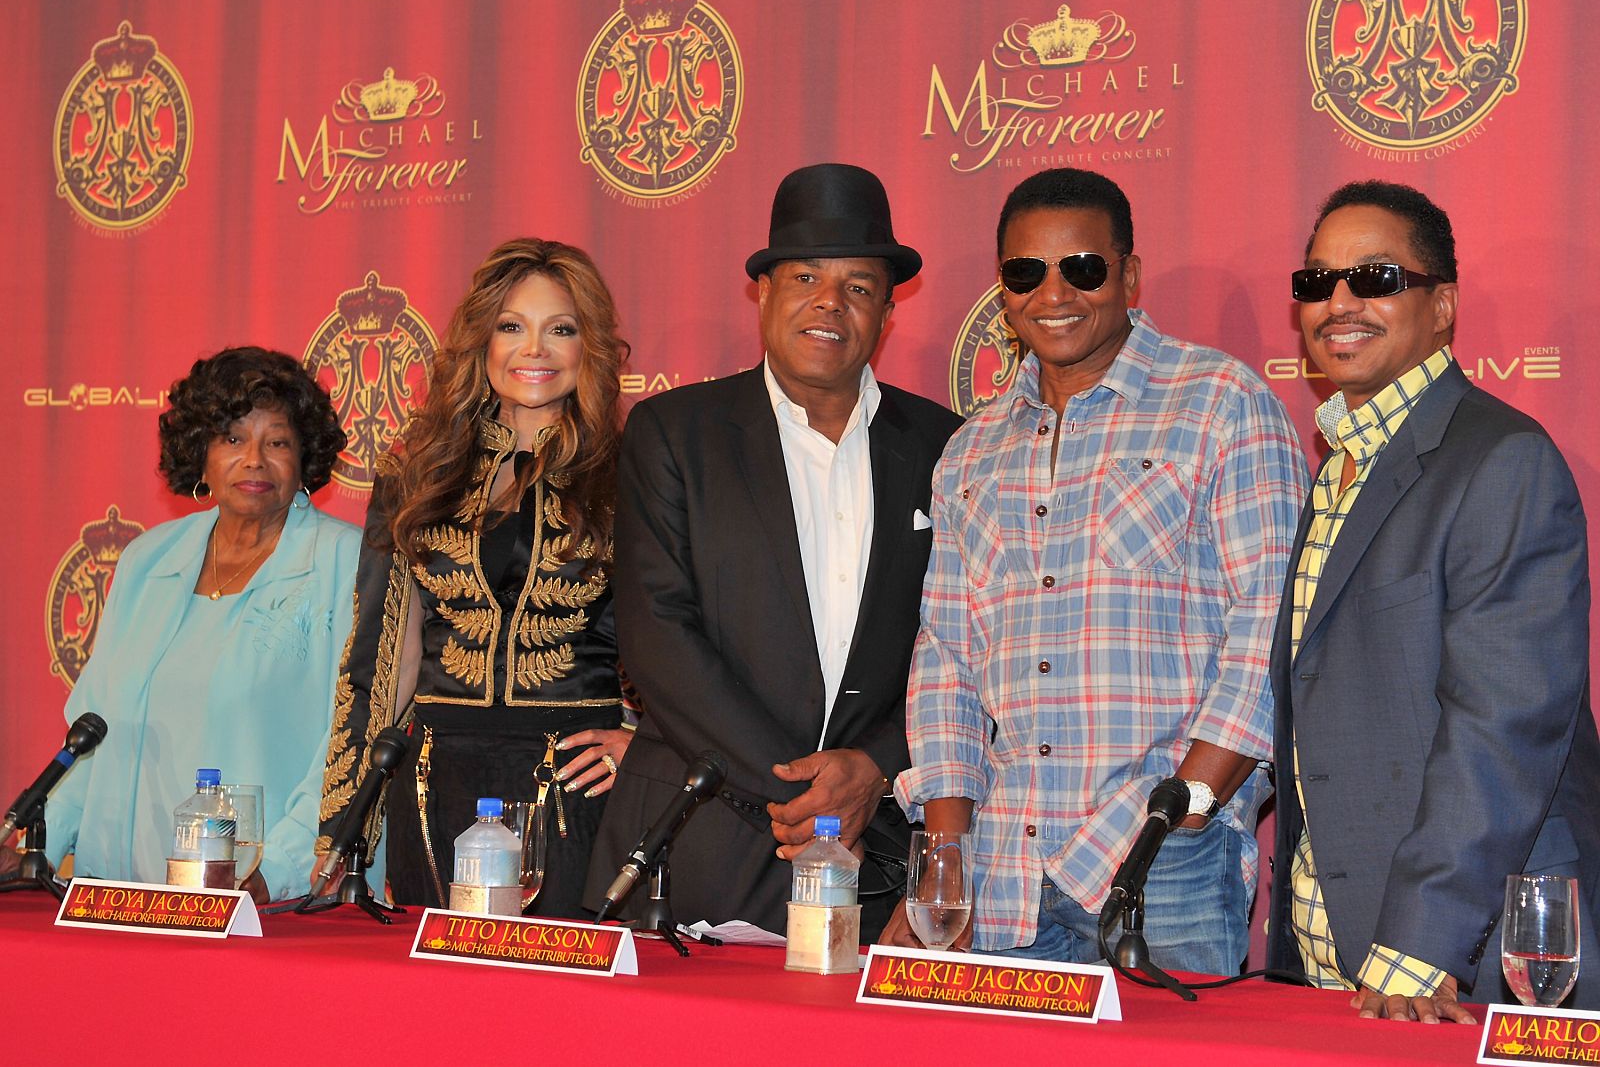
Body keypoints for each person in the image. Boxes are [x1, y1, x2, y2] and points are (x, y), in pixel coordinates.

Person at [888, 169, 1307, 974]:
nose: (1055, 292)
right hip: (1001, 870)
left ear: (1130, 276)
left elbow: (1270, 623)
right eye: (1025, 272)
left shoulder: (1219, 402)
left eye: (1082, 267)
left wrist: (1181, 811)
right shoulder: (970, 450)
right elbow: (945, 660)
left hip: (1164, 862)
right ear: (1002, 289)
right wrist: (945, 856)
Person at [585, 164, 962, 937]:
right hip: (698, 837)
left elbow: (961, 641)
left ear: (888, 314)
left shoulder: (947, 446)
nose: (831, 302)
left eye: (860, 286)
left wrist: (874, 768)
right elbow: (659, 634)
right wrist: (808, 795)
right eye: (806, 276)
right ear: (763, 292)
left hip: (876, 848)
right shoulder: (674, 433)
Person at [1266, 181, 1600, 1019]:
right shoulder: (1341, 466)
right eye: (1317, 282)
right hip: (1333, 954)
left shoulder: (1502, 461)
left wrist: (1419, 945)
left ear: (1442, 304)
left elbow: (1503, 724)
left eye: (1375, 278)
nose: (1337, 303)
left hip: (1458, 962)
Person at [318, 238, 633, 917]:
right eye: (512, 326)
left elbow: (678, 638)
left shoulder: (631, 474)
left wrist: (647, 743)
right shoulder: (418, 471)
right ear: (482, 341)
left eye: (562, 329)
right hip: (435, 780)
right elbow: (381, 657)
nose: (535, 350)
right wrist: (345, 822)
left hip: (576, 781)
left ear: (592, 347)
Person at [2, 347, 361, 903]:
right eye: (233, 439)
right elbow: (92, 734)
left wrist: (279, 870)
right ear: (201, 454)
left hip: (261, 903)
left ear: (306, 457)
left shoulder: (346, 563)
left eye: (278, 442)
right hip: (118, 896)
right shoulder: (148, 559)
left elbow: (349, 746)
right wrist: (36, 853)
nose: (255, 460)